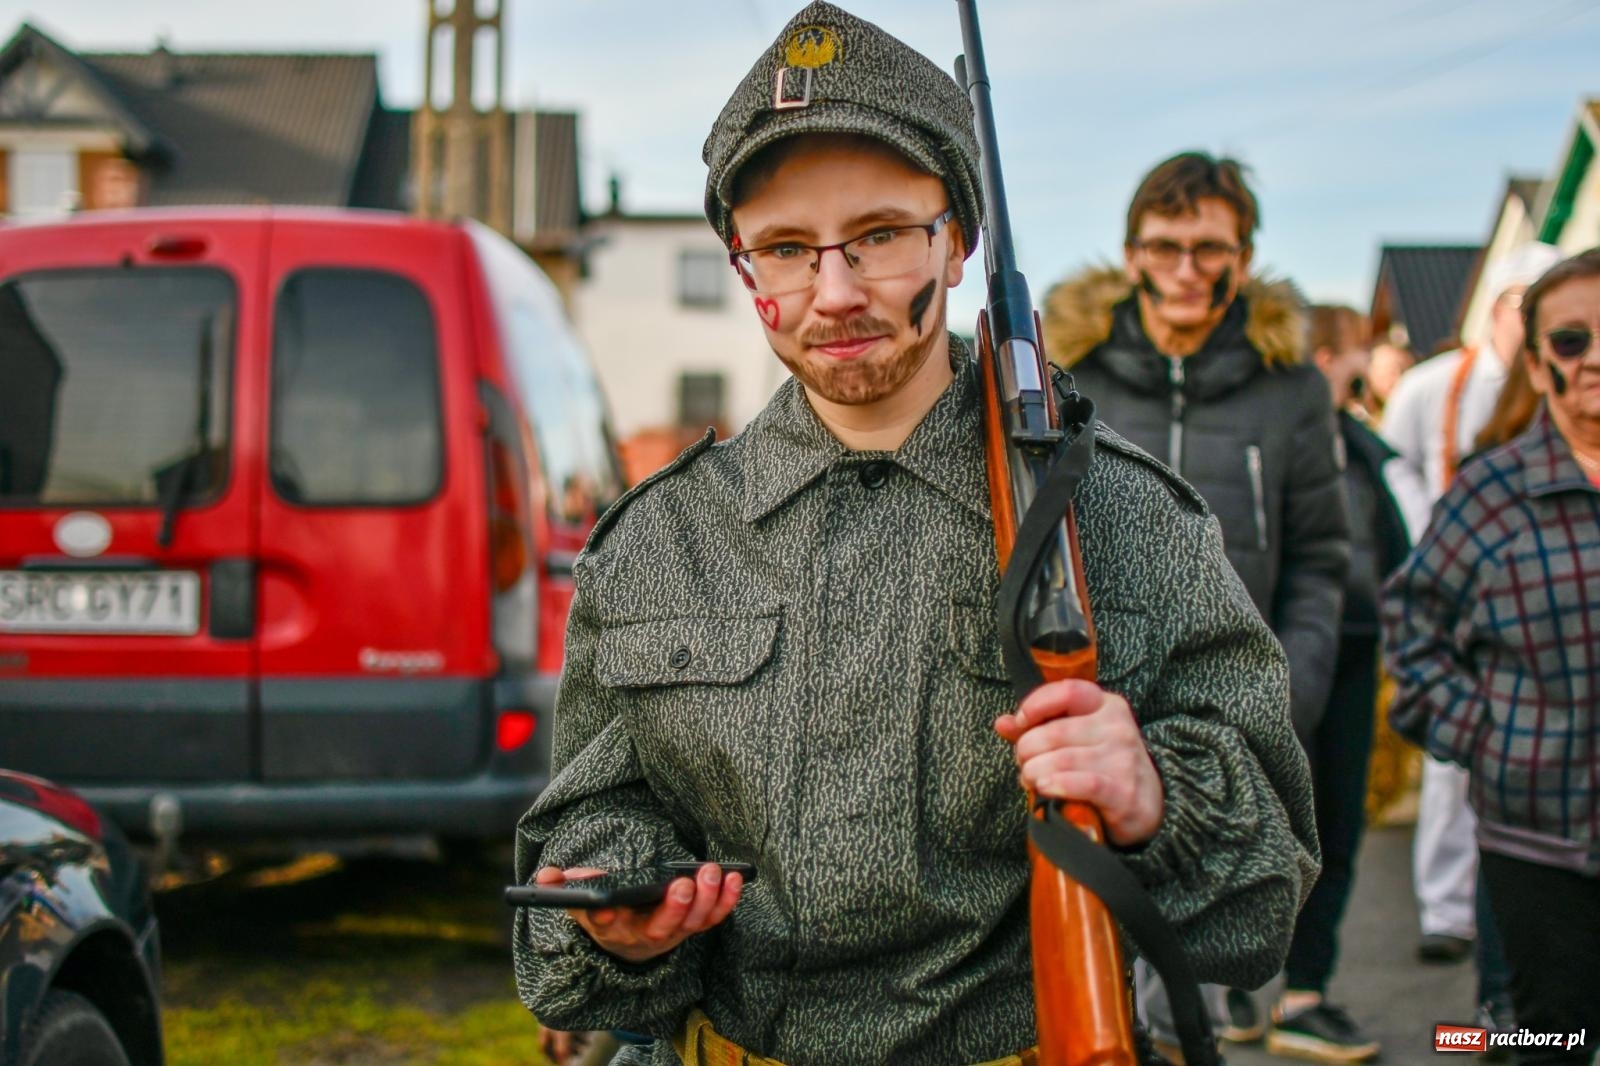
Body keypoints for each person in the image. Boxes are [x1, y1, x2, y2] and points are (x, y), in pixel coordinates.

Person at [510, 5, 1318, 1065]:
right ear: (744, 269)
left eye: (881, 234)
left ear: (957, 240)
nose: (835, 292)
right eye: (787, 249)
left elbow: (1264, 897)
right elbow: (577, 858)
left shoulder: (1119, 517)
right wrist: (615, 909)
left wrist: (1154, 798)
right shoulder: (658, 541)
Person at [1041, 152, 1349, 1057]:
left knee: (1219, 942)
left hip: (1237, 696)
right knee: (1100, 947)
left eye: (1209, 250)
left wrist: (1288, 693)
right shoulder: (1073, 372)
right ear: (1132, 254)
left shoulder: (1291, 386)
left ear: (1244, 259)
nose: (1186, 269)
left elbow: (1324, 558)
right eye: (1166, 246)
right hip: (1102, 689)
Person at [1383, 248, 1600, 1066]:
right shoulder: (1494, 492)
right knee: (1553, 1037)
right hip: (1542, 844)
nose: (1596, 359)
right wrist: (1492, 739)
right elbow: (1414, 626)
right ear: (1540, 364)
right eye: (1573, 341)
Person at [1262, 306, 1408, 1063]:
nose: (1365, 372)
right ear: (1324, 358)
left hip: (1353, 644)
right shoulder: (1302, 436)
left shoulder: (1353, 441)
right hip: (1304, 645)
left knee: (1329, 822)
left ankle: (1291, 989)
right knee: (1306, 825)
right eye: (1356, 357)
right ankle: (1288, 993)